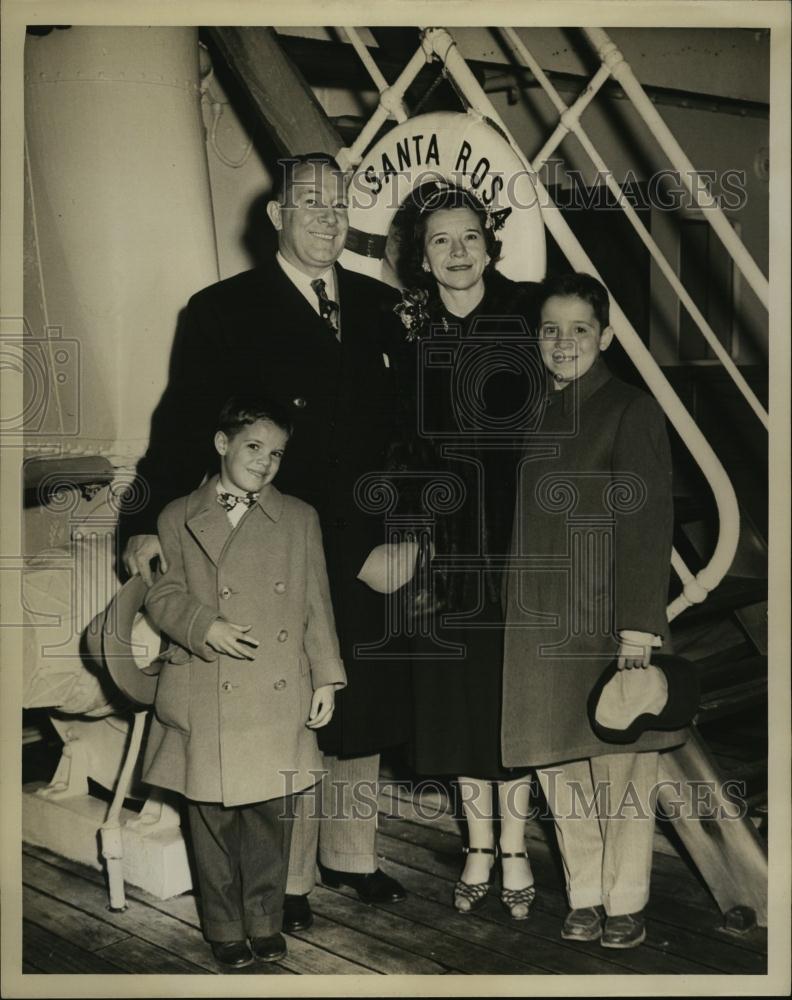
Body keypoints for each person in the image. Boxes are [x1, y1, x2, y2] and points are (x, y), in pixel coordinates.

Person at [120, 154, 410, 933]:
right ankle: (288, 877)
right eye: (308, 202)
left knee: (356, 693)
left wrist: (411, 533)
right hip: (273, 539)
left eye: (337, 202)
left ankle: (354, 853)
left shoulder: (383, 308)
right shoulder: (223, 309)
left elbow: (413, 436)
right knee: (280, 705)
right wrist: (142, 520)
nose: (325, 215)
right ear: (276, 216)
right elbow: (182, 424)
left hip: (367, 537)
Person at [501, 272, 685, 949]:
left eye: (580, 328)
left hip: (607, 619)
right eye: (550, 328)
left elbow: (647, 527)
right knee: (559, 763)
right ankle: (585, 895)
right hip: (541, 623)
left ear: (605, 335)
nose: (563, 340)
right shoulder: (532, 411)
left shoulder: (630, 409)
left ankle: (627, 899)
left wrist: (639, 628)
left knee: (622, 766)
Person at [142, 396, 346, 968]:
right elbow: (161, 594)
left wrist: (326, 679)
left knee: (268, 817)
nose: (265, 462)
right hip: (205, 682)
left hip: (277, 685)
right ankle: (224, 926)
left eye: (276, 454)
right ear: (222, 443)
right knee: (210, 817)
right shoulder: (177, 515)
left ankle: (264, 920)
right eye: (254, 447)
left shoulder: (299, 517)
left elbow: (315, 605)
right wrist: (206, 627)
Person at [389, 182, 544, 919]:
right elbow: (400, 445)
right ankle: (477, 842)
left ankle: (514, 845)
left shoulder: (528, 314)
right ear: (421, 257)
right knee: (456, 699)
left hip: (519, 538)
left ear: (490, 242)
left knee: (509, 697)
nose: (457, 252)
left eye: (469, 237)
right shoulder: (410, 332)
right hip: (445, 547)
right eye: (440, 241)